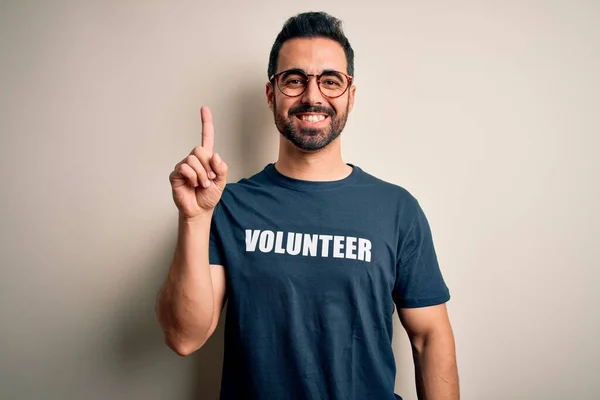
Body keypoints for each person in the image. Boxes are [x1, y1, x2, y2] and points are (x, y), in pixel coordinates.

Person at [156, 11, 459, 400]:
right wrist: (194, 219)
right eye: (294, 80)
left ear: (351, 95)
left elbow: (430, 337)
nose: (313, 96)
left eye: (330, 81)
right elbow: (184, 337)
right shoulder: (226, 205)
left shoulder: (398, 209)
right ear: (272, 94)